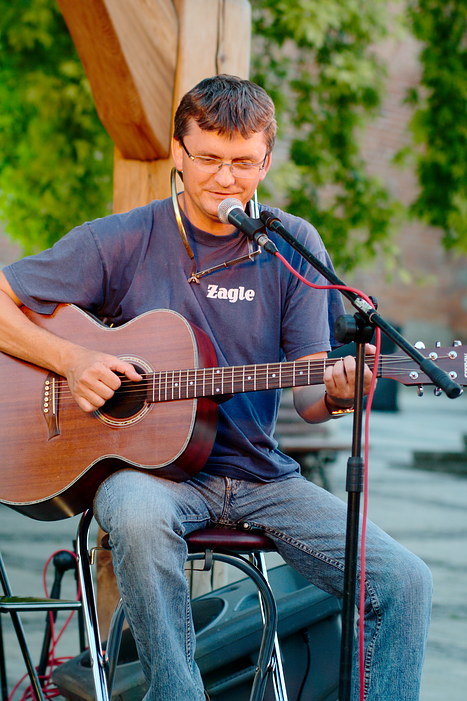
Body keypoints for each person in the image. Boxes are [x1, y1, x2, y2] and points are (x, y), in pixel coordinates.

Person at [0, 75, 431, 700]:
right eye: (208, 159)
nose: (226, 180)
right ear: (178, 152)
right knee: (138, 516)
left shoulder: (291, 246)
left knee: (405, 581)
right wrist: (70, 360)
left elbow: (311, 401)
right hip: (156, 479)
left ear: (267, 159)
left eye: (243, 163)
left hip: (264, 478)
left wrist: (343, 391)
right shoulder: (124, 239)